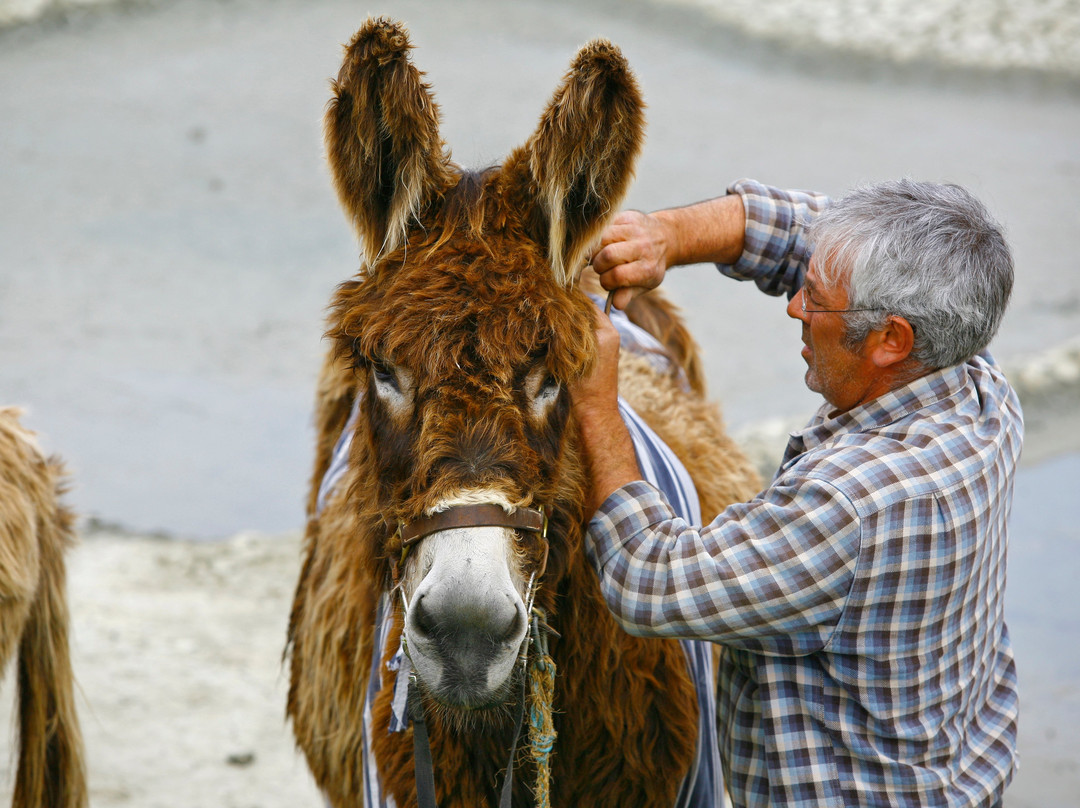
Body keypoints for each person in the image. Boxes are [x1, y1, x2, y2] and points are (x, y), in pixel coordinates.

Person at [571, 178, 1020, 808]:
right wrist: (666, 236)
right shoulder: (977, 381)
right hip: (961, 769)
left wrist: (595, 400)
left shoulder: (852, 504)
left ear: (892, 340)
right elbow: (805, 227)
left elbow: (648, 579)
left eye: (816, 300)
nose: (795, 308)